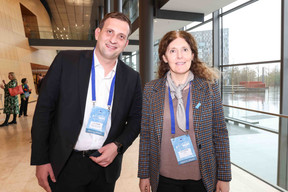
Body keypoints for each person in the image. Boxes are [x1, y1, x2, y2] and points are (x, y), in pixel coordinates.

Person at [31, 12, 142, 192]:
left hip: (105, 168)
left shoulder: (132, 78)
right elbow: (44, 111)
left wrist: (118, 146)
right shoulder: (66, 61)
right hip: (65, 164)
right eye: (109, 32)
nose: (114, 40)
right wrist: (41, 160)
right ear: (98, 33)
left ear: (126, 43)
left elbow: (137, 119)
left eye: (121, 36)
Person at [138, 31, 231, 192]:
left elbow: (220, 133)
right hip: (163, 178)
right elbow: (146, 135)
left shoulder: (209, 88)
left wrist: (224, 176)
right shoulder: (151, 90)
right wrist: (144, 174)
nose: (179, 56)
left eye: (185, 50)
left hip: (202, 178)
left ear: (193, 55)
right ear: (165, 58)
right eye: (173, 51)